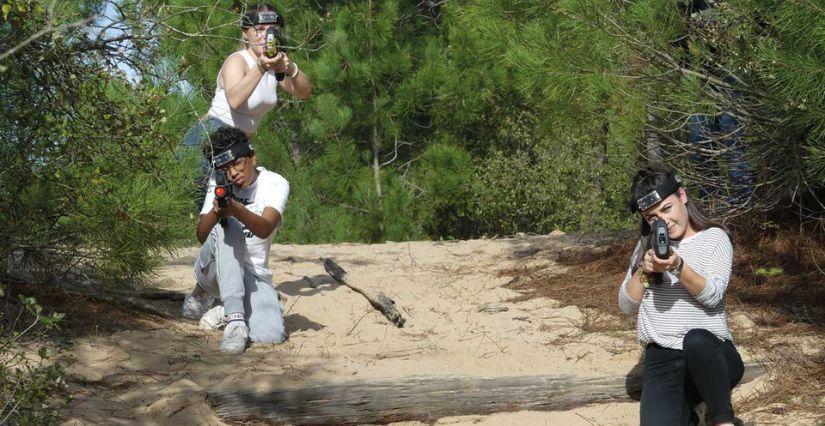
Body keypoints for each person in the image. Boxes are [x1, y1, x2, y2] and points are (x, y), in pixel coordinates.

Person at [618, 166, 744, 425]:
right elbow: (625, 305)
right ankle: (692, 411)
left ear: (683, 196)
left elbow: (712, 296)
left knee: (696, 339)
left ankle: (721, 420)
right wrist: (644, 270)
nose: (663, 221)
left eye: (667, 209)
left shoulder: (715, 238)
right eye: (652, 218)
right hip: (664, 358)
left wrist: (679, 266)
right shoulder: (645, 247)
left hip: (712, 355)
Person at [179, 2, 311, 205]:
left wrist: (291, 68)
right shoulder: (238, 61)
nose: (265, 36)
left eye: (271, 30)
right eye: (258, 30)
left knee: (226, 207)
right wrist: (259, 68)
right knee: (200, 204)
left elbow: (304, 92)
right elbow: (235, 99)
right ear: (245, 35)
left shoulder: (274, 63)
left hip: (238, 143)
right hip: (211, 137)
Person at [181, 127, 290, 354]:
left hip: (252, 273)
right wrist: (217, 212)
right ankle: (236, 321)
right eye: (225, 168)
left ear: (252, 157)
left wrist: (235, 209)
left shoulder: (275, 183)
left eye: (237, 163)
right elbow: (202, 235)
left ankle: (225, 310)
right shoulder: (219, 182)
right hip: (214, 271)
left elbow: (265, 228)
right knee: (226, 227)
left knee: (270, 336)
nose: (232, 173)